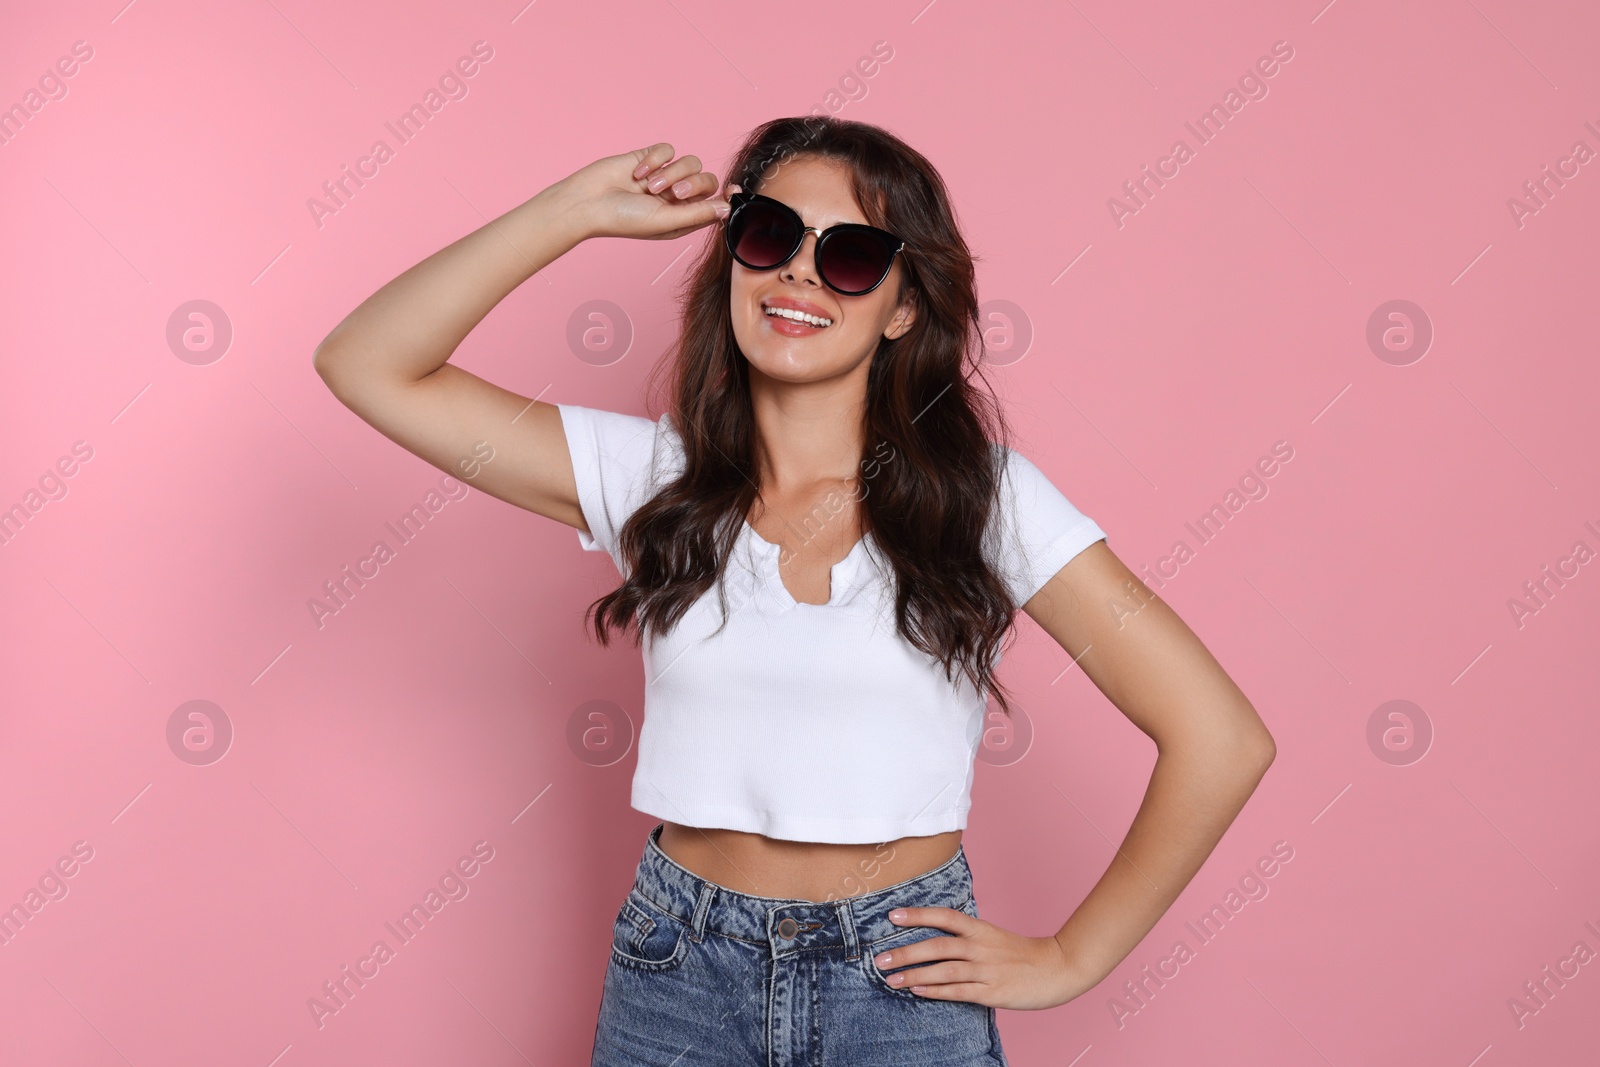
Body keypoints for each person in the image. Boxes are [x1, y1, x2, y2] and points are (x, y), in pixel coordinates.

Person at [313, 115, 1275, 1066]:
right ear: (731, 252)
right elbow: (367, 362)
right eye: (769, 234)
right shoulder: (650, 478)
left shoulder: (984, 499)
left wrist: (1072, 956)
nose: (800, 273)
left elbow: (1220, 736)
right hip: (677, 969)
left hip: (900, 980)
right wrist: (571, 212)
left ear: (903, 305)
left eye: (851, 254)